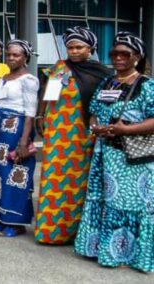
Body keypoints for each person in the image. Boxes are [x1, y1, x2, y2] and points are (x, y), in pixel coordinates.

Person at [75, 32, 153, 273]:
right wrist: (95, 126)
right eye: (114, 54)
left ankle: (128, 254)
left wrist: (125, 129)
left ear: (137, 57)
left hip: (132, 157)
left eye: (124, 54)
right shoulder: (107, 82)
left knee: (129, 204)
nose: (118, 58)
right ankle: (103, 248)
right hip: (105, 154)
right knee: (107, 201)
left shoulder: (146, 85)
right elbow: (95, 110)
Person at [34, 26, 110, 245]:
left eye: (79, 47)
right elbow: (48, 94)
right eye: (70, 47)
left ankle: (75, 232)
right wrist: (40, 116)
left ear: (90, 48)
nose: (74, 51)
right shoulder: (60, 68)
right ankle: (51, 232)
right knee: (53, 180)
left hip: (83, 135)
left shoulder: (102, 73)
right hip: (58, 133)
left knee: (79, 183)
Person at [0, 39, 40, 237]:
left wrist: (23, 142)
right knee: (1, 176)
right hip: (1, 130)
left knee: (16, 176)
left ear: (25, 57)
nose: (11, 58)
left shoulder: (29, 80)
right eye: (9, 54)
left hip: (18, 129)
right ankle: (2, 218)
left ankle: (16, 222)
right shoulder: (4, 77)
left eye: (16, 55)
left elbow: (30, 113)